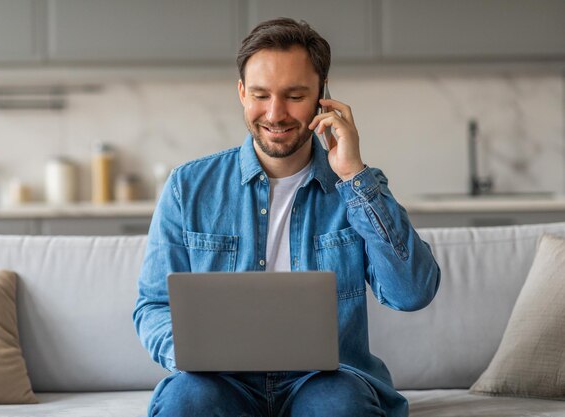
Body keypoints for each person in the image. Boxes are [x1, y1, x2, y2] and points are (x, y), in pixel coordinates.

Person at [133, 17, 441, 417]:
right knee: (184, 401)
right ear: (242, 93)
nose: (275, 114)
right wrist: (192, 353)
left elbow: (413, 292)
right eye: (260, 95)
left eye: (294, 96)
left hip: (326, 380)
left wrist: (353, 175)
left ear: (322, 97)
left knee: (341, 406)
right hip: (220, 382)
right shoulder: (187, 186)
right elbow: (153, 306)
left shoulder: (359, 187)